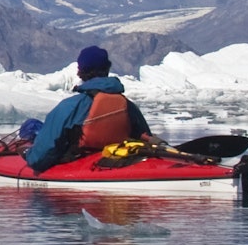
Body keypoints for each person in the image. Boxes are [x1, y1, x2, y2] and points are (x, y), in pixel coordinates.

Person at [22, 46, 154, 172]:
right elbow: (146, 138)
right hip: (119, 162)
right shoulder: (128, 106)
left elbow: (39, 159)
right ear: (107, 68)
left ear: (80, 72)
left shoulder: (70, 106)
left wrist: (29, 155)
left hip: (79, 166)